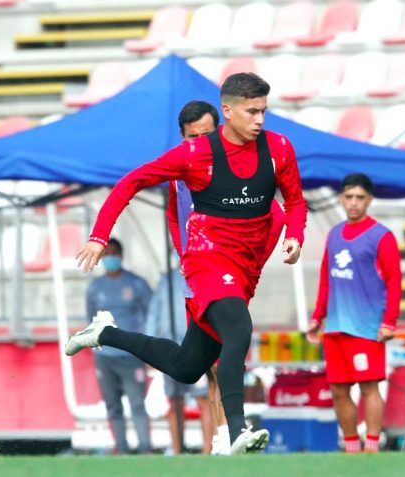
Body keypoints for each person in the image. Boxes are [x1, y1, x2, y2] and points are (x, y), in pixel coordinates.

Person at [67, 72, 308, 455]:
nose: (260, 119)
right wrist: (99, 236)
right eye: (252, 111)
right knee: (238, 330)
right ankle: (237, 434)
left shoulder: (278, 148)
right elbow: (131, 182)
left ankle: (105, 333)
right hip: (206, 259)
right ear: (227, 111)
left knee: (186, 366)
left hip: (245, 268)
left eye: (264, 110)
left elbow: (294, 202)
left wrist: (295, 234)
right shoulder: (195, 154)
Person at [166, 100, 287, 455]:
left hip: (228, 269)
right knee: (200, 360)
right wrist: (183, 254)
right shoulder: (178, 173)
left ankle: (225, 434)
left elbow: (277, 216)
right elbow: (175, 219)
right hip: (197, 269)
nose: (200, 142)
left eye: (206, 134)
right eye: (193, 136)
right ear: (183, 136)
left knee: (223, 352)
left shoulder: (236, 165)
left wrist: (252, 264)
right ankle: (222, 436)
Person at [306, 173, 402, 453]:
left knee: (369, 386)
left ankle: (371, 446)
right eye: (349, 197)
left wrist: (389, 321)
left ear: (370, 200)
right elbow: (326, 278)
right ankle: (351, 447)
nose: (354, 203)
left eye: (360, 197)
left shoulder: (381, 236)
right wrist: (317, 317)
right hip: (335, 327)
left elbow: (395, 281)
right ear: (341, 198)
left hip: (366, 327)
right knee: (338, 390)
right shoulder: (334, 234)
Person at [84, 237, 153, 454]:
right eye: (106, 254)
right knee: (113, 405)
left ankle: (145, 449)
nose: (110, 258)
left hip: (131, 355)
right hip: (105, 357)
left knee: (137, 404)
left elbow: (151, 313)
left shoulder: (136, 283)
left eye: (114, 254)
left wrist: (145, 345)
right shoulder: (95, 287)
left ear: (121, 256)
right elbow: (90, 317)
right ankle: (121, 449)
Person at [145, 267, 213, 455]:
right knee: (174, 401)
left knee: (203, 399)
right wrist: (150, 345)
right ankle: (177, 449)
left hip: (195, 346)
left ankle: (207, 450)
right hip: (170, 346)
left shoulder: (201, 274)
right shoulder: (167, 279)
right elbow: (154, 312)